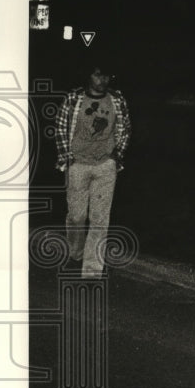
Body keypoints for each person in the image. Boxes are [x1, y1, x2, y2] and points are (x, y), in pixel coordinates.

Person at [55, 60, 131, 278]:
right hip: (78, 164)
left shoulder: (116, 99)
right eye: (98, 75)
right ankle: (76, 253)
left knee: (99, 219)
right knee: (76, 216)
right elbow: (60, 127)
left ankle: (91, 270)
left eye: (106, 76)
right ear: (89, 76)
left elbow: (125, 128)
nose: (103, 80)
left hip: (105, 166)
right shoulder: (74, 98)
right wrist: (68, 158)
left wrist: (116, 155)